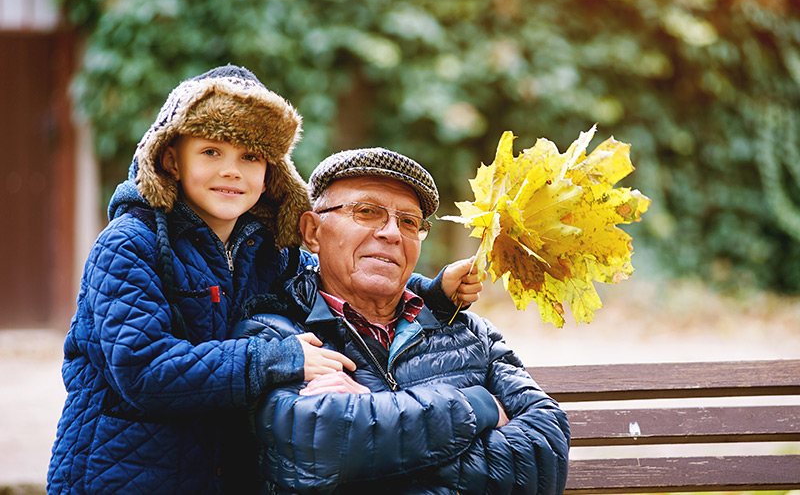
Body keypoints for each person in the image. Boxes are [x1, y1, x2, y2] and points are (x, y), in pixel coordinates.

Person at [46, 66, 481, 494]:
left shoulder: (270, 249)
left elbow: (326, 285)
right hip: (123, 472)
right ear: (171, 159)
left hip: (220, 472)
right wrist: (278, 359)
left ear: (272, 170)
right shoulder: (129, 245)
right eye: (212, 151)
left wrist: (431, 290)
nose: (233, 171)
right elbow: (144, 371)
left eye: (250, 156)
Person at [238, 148, 571, 494]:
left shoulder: (472, 334)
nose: (393, 233)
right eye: (367, 212)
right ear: (312, 232)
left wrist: (371, 418)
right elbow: (314, 446)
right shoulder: (276, 337)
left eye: (409, 222)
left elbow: (545, 452)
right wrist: (479, 404)